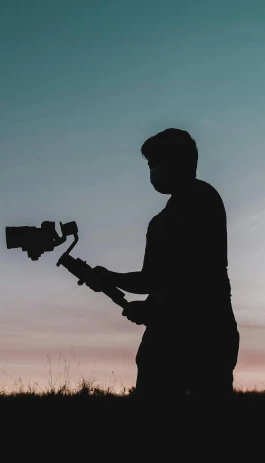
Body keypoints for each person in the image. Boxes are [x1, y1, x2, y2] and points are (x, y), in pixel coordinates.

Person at [86, 128, 239, 397]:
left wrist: (149, 303)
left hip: (205, 334)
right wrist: (114, 280)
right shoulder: (158, 221)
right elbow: (153, 279)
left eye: (157, 162)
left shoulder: (202, 200)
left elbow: (191, 276)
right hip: (165, 336)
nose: (153, 171)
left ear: (181, 162)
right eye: (150, 164)